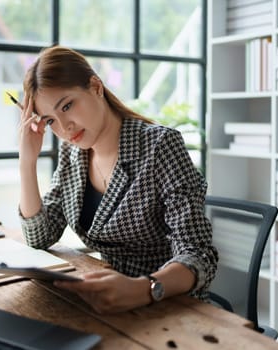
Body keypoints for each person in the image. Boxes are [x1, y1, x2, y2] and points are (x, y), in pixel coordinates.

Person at [17, 45, 218, 314]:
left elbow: (199, 254)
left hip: (166, 302)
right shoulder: (72, 153)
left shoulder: (159, 146)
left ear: (96, 87)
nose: (65, 128)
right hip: (107, 302)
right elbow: (40, 236)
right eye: (51, 121)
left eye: (67, 105)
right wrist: (27, 162)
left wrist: (143, 288)